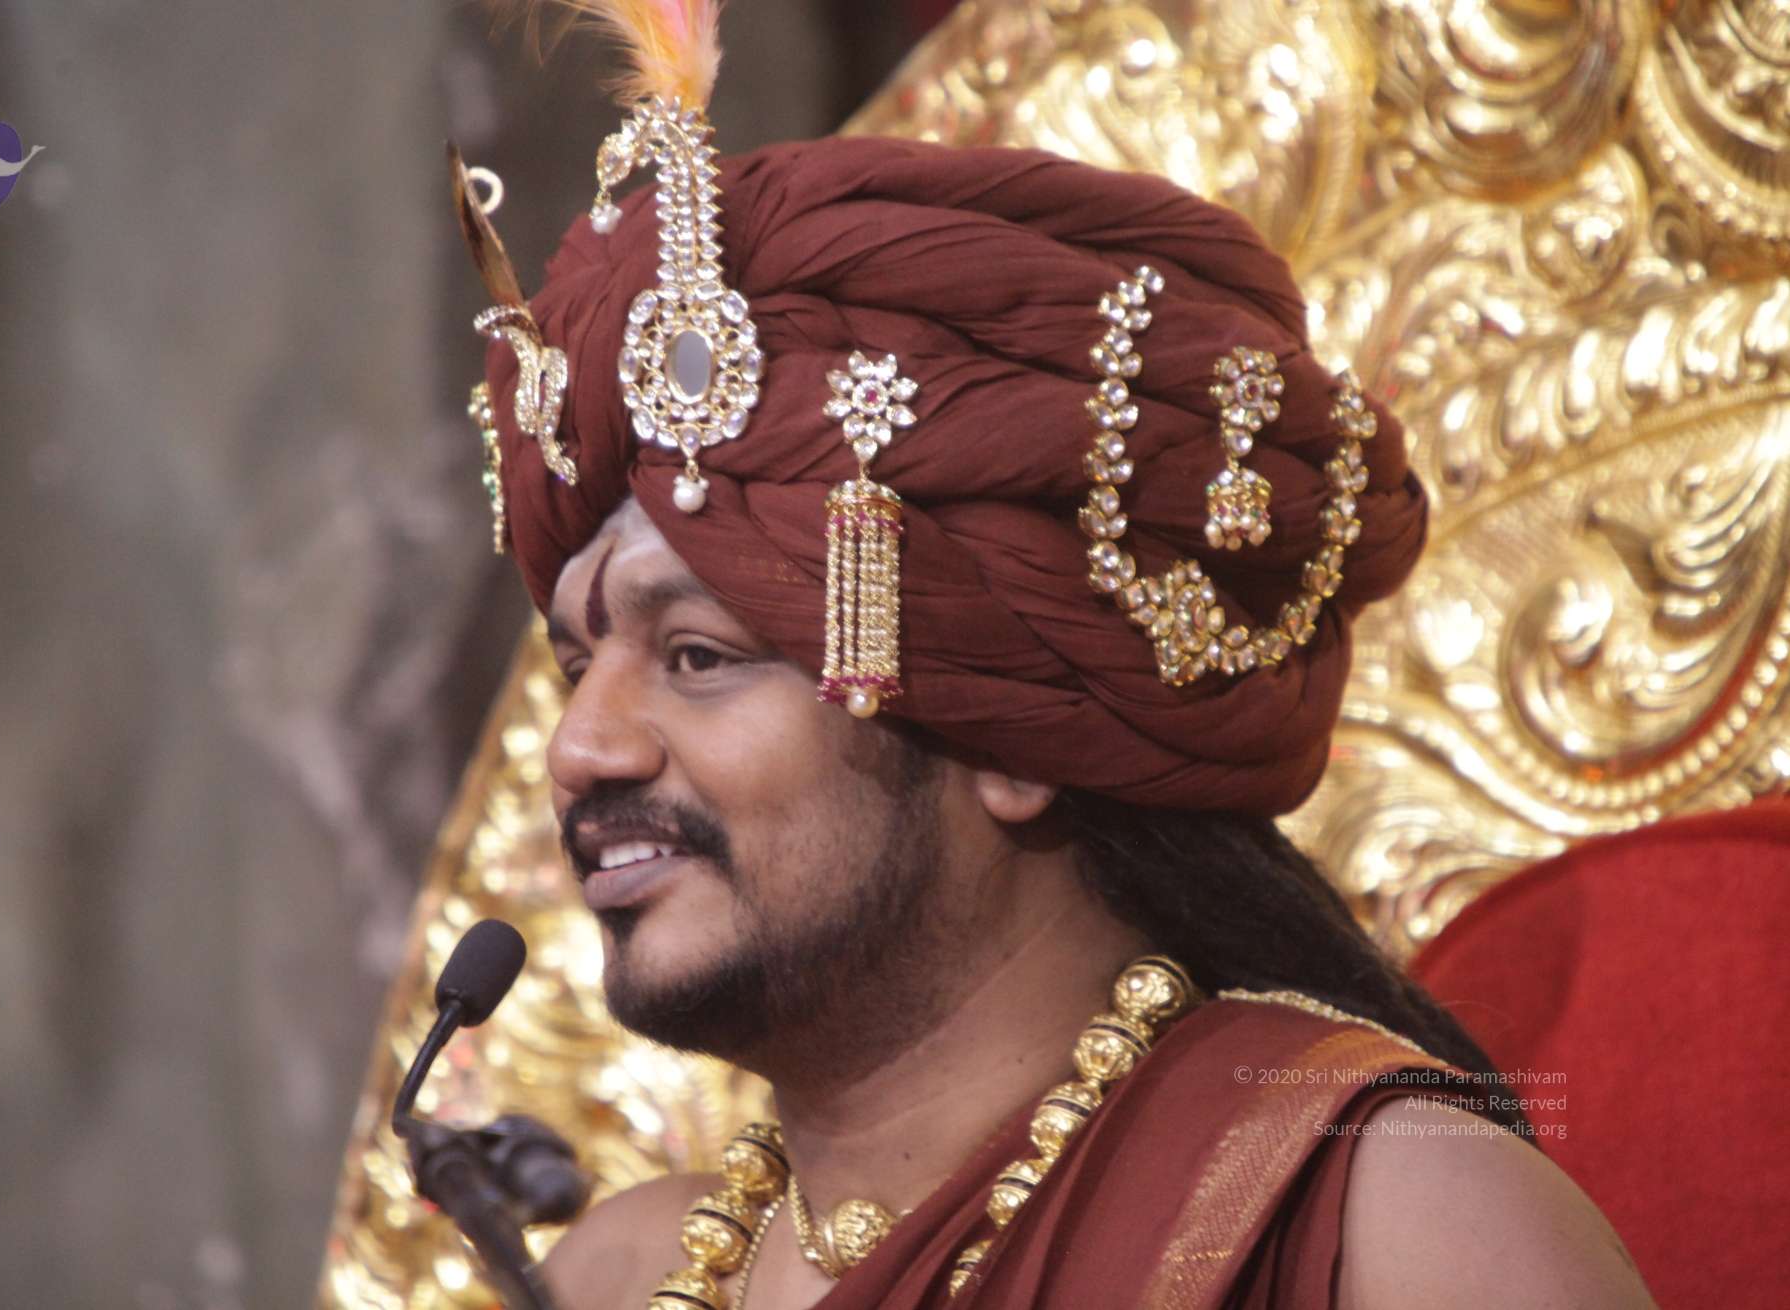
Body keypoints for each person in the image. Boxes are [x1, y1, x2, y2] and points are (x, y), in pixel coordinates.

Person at [459, 5, 1657, 1306]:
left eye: (698, 656)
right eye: (577, 666)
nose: (581, 748)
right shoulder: (622, 1276)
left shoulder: (1395, 1225)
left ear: (1010, 738)